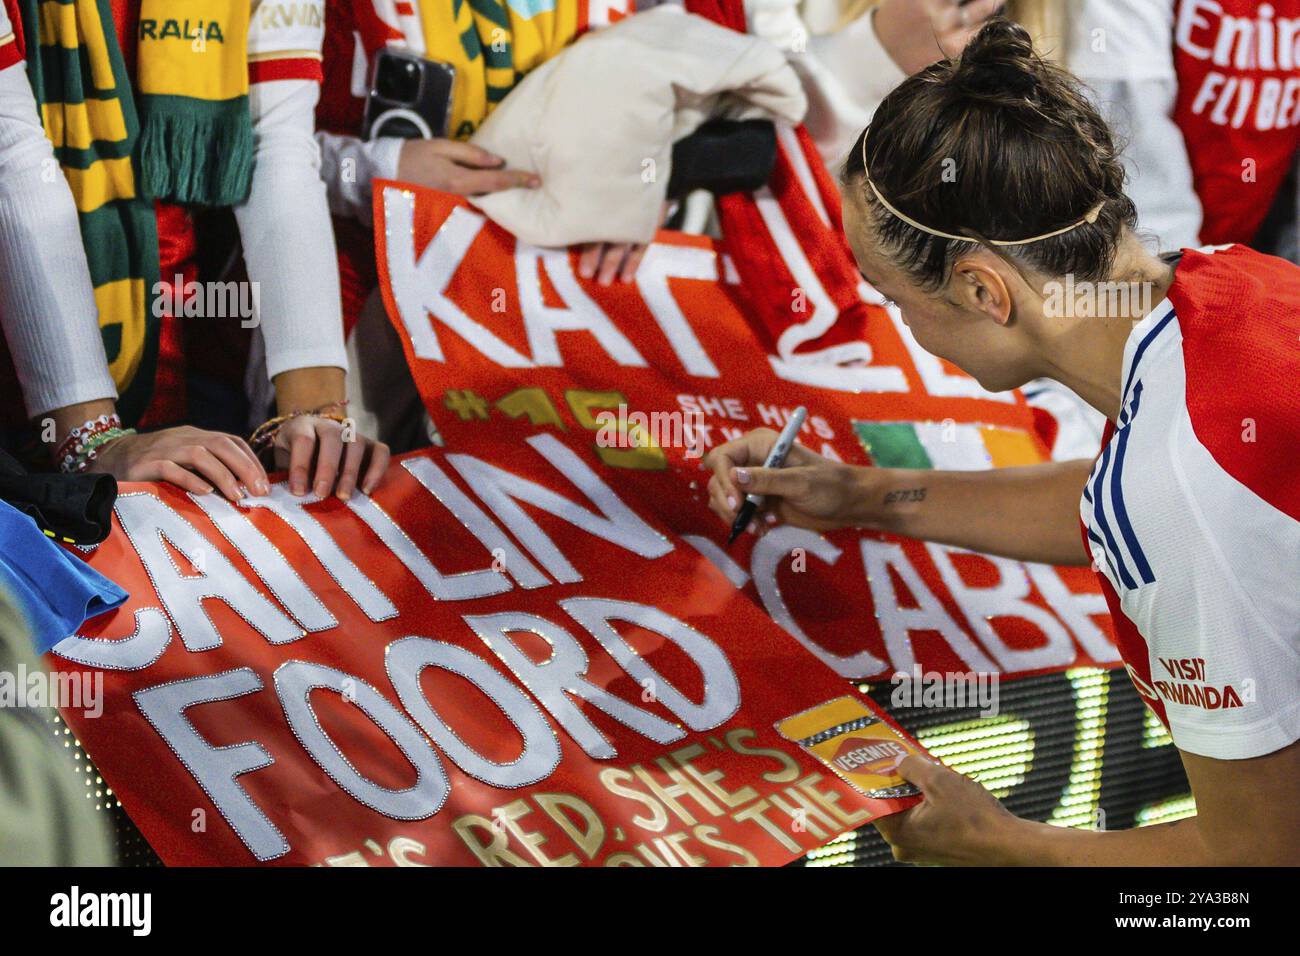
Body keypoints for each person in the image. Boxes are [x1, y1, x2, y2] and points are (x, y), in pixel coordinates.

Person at [705, 19, 1300, 864]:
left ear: (985, 290)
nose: (900, 325)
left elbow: (1257, 860)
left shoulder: (1180, 493)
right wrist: (862, 495)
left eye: (891, 294)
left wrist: (999, 843)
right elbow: (1134, 503)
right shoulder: (1234, 281)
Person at [0, 0, 388, 501]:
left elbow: (274, 141)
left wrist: (315, 415)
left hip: (163, 348)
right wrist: (87, 439)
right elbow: (12, 158)